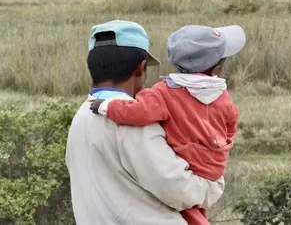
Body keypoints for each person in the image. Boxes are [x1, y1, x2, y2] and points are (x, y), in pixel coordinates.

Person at [66, 20, 225, 225]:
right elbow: (177, 188)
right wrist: (212, 184)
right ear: (140, 69)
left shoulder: (81, 116)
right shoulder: (131, 122)